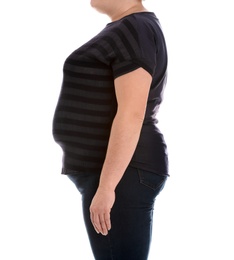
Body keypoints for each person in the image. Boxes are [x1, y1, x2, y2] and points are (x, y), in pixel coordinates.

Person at [52, 0, 169, 259]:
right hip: (116, 175)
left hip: (122, 174)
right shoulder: (128, 28)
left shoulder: (135, 28)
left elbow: (132, 112)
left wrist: (106, 188)